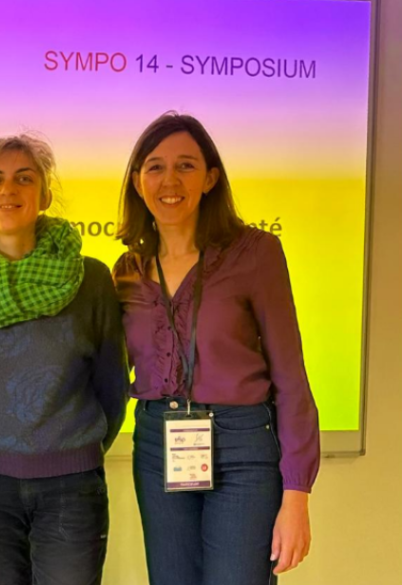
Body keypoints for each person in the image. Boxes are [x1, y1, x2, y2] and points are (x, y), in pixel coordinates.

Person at [112, 112, 319, 585]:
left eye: (185, 166)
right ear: (138, 182)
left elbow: (290, 377)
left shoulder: (256, 252)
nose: (170, 180)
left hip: (243, 448)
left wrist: (296, 495)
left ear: (210, 178)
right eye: (155, 167)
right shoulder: (127, 270)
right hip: (157, 445)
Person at [0, 134, 129, 585]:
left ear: (44, 196)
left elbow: (112, 385)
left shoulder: (89, 278)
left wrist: (71, 453)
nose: (8, 190)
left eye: (24, 179)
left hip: (71, 487)